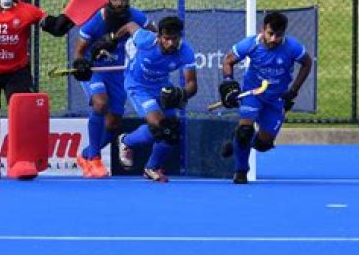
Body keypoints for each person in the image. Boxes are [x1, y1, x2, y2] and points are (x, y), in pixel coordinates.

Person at [71, 0, 156, 178]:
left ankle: (86, 154)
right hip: (96, 69)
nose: (120, 3)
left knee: (113, 124)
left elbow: (154, 35)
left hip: (119, 72)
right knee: (100, 104)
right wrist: (81, 63)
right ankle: (94, 159)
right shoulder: (97, 20)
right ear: (107, 0)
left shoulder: (136, 16)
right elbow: (79, 51)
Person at [217, 11, 312, 184]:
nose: (274, 39)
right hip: (253, 94)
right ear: (263, 29)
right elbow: (228, 61)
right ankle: (241, 172)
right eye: (270, 33)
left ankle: (236, 141)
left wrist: (293, 91)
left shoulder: (292, 47)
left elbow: (307, 63)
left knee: (263, 144)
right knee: (245, 131)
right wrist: (229, 84)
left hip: (276, 99)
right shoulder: (251, 44)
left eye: (278, 35)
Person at [106, 16, 198, 182]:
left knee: (172, 131)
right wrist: (113, 39)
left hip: (161, 88)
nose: (171, 43)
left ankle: (152, 168)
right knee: (160, 126)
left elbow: (192, 84)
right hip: (137, 86)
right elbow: (130, 25)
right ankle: (126, 141)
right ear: (159, 36)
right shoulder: (145, 40)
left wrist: (181, 93)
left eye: (175, 38)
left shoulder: (186, 51)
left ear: (180, 37)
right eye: (166, 38)